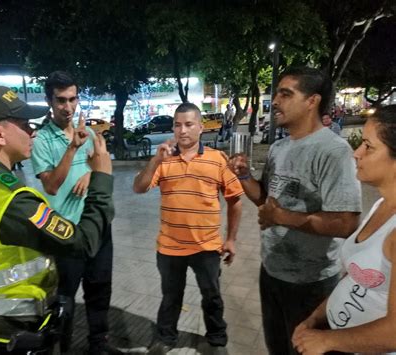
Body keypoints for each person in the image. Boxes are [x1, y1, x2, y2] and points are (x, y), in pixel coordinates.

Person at [0, 85, 114, 355]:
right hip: (9, 337)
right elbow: (83, 243)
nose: (32, 132)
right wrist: (101, 177)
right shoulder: (11, 201)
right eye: (24, 125)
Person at [229, 66, 362, 355]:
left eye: (285, 94)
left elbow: (346, 222)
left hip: (312, 284)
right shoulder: (279, 148)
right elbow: (267, 200)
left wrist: (282, 218)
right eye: (277, 93)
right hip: (272, 273)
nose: (275, 101)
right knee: (277, 348)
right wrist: (244, 178)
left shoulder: (333, 151)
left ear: (312, 101)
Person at [133, 102, 244, 355]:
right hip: (170, 247)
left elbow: (235, 199)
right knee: (170, 297)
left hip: (207, 246)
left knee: (212, 296)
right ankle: (166, 337)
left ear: (201, 128)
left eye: (189, 124)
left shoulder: (217, 160)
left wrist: (231, 239)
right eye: (177, 124)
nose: (182, 130)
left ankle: (217, 338)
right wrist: (154, 160)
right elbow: (138, 188)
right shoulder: (163, 159)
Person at [292, 105, 396, 354]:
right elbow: (354, 278)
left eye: (368, 147)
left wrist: (327, 341)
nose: (356, 154)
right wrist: (316, 319)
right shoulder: (381, 205)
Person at [31, 71, 118, 354]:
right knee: (64, 298)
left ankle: (98, 345)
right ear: (49, 100)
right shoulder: (42, 140)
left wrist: (92, 174)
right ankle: (62, 348)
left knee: (100, 290)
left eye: (72, 99)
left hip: (98, 225)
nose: (68, 107)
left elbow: (103, 166)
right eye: (60, 100)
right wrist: (72, 148)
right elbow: (52, 186)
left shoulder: (90, 133)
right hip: (65, 232)